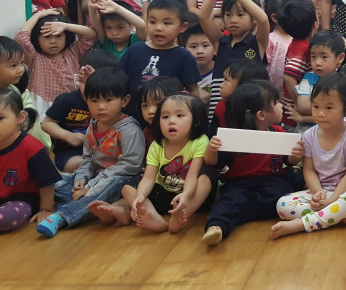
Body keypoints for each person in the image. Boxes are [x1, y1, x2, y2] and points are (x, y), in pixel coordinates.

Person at [36, 68, 145, 237]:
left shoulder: (129, 130)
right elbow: (87, 158)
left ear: (124, 101)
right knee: (57, 182)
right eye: (94, 100)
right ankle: (90, 207)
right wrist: (81, 178)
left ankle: (63, 216)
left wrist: (91, 187)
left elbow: (129, 166)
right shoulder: (93, 126)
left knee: (112, 185)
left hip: (119, 179)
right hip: (95, 177)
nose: (101, 106)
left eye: (108, 100)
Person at [88, 94, 210, 233]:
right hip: (163, 197)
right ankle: (152, 216)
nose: (171, 121)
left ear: (196, 121)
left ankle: (181, 215)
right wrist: (140, 197)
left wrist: (186, 195)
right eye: (165, 117)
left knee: (207, 178)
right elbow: (148, 178)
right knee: (127, 186)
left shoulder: (200, 141)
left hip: (190, 197)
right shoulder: (157, 145)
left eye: (179, 115)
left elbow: (192, 176)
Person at [202, 80, 305, 246]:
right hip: (239, 183)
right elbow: (215, 163)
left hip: (272, 180)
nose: (280, 106)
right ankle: (216, 226)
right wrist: (211, 150)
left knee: (281, 192)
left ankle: (235, 215)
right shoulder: (235, 136)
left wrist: (296, 156)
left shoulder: (278, 132)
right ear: (261, 115)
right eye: (276, 102)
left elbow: (289, 161)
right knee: (229, 200)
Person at [271, 73, 346, 239]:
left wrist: (333, 200)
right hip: (319, 191)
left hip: (345, 192)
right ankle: (337, 216)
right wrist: (318, 193)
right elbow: (308, 170)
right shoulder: (309, 135)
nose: (320, 113)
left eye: (329, 108)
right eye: (316, 106)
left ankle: (302, 224)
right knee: (282, 205)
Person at [0, 90, 59, 232]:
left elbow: (47, 183)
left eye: (0, 118)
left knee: (7, 217)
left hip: (20, 200)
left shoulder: (32, 147)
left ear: (20, 117)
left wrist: (46, 209)